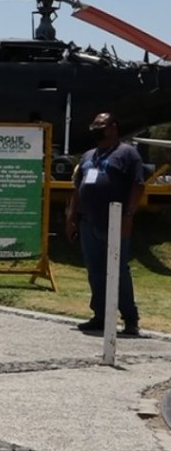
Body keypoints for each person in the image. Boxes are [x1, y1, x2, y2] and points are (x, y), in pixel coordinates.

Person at [65, 112, 144, 336]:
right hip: (88, 222)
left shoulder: (128, 154)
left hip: (116, 221)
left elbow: (138, 186)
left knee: (119, 271)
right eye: (94, 125)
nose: (96, 128)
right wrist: (71, 218)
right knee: (95, 272)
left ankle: (130, 318)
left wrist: (128, 216)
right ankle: (100, 316)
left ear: (113, 127)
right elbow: (77, 188)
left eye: (101, 125)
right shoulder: (89, 156)